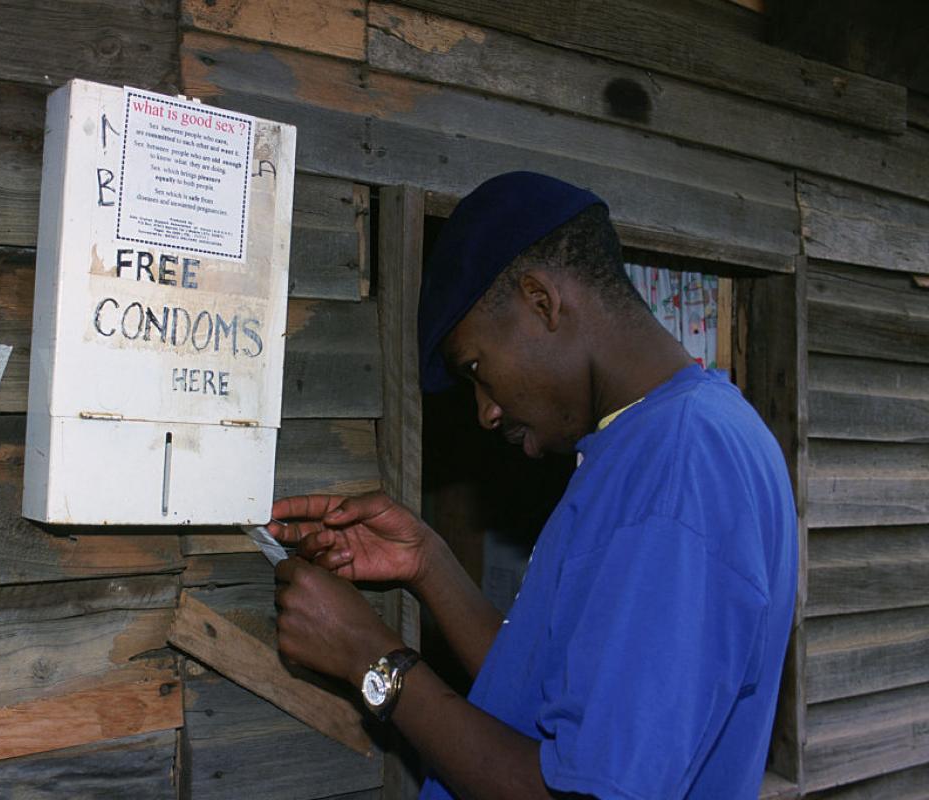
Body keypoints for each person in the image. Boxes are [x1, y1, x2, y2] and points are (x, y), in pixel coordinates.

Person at [268, 172, 798, 800]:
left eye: (475, 370)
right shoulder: (645, 445)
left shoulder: (682, 464)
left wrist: (371, 660)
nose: (485, 412)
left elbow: (586, 794)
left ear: (541, 301)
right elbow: (554, 698)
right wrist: (429, 564)